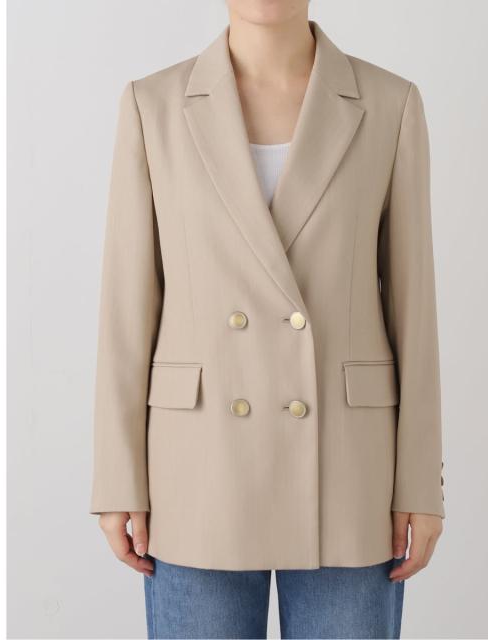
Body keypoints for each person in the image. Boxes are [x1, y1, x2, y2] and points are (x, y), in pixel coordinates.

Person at [90, 1, 445, 638]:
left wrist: (420, 480)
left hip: (348, 470)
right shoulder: (154, 106)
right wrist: (118, 475)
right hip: (199, 467)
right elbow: (127, 306)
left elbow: (414, 310)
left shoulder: (390, 104)